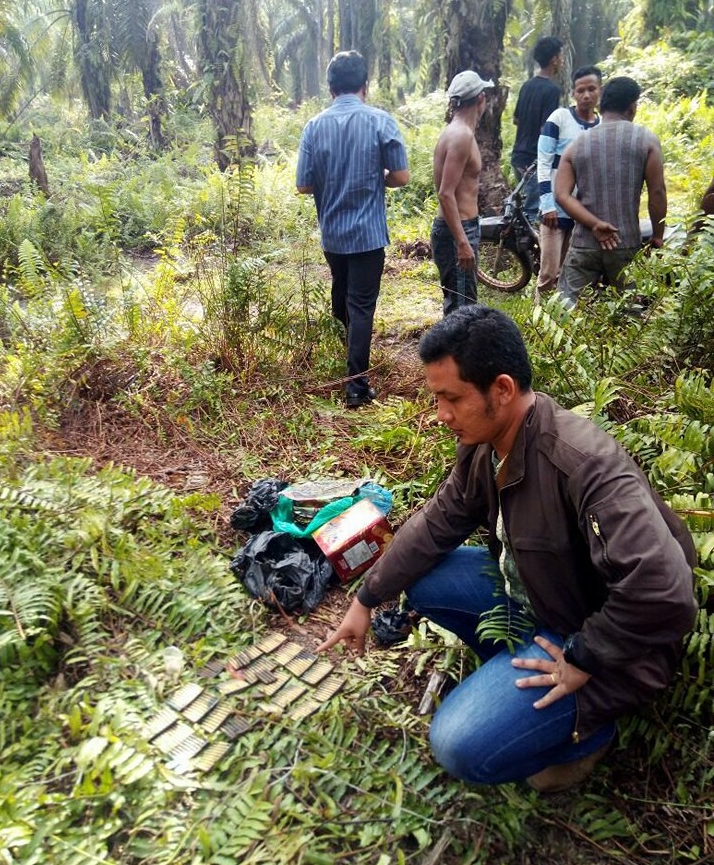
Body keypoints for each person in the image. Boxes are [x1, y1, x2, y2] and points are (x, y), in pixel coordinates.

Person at [318, 305, 697, 792]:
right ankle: (514, 666)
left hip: (604, 641)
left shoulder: (584, 465)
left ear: (502, 389)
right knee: (421, 575)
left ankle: (587, 730)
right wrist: (366, 599)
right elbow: (437, 522)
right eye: (437, 399)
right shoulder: (485, 444)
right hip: (543, 599)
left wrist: (582, 657)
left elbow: (663, 591)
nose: (441, 416)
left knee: (457, 743)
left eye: (451, 398)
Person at [296, 50, 409, 409]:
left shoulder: (314, 126)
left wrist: (332, 180)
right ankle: (356, 386)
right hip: (368, 235)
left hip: (332, 231)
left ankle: (347, 351)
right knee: (361, 305)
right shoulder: (380, 121)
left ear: (330, 88)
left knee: (342, 293)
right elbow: (402, 176)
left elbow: (303, 185)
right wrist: (378, 178)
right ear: (365, 85)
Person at [555, 76, 667, 308]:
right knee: (631, 311)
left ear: (601, 105)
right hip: (625, 241)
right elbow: (657, 193)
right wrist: (657, 236)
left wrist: (595, 224)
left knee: (565, 310)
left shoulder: (576, 145)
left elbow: (562, 195)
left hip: (584, 243)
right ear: (632, 106)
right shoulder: (646, 140)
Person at [535, 66, 602, 301]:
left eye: (591, 89)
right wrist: (547, 204)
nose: (586, 95)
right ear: (573, 93)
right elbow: (543, 162)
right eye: (580, 90)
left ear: (599, 91)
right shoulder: (559, 118)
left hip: (583, 209)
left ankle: (563, 321)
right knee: (549, 272)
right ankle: (539, 322)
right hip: (555, 208)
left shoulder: (601, 126)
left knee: (571, 271)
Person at [431, 70, 494, 315]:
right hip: (457, 230)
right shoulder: (461, 136)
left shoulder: (458, 132)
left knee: (464, 303)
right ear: (481, 98)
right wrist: (462, 242)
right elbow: (446, 194)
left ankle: (458, 353)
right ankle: (453, 353)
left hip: (461, 227)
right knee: (461, 310)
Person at [511, 36, 564, 225]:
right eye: (561, 55)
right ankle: (531, 253)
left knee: (526, 209)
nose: (562, 60)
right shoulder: (552, 90)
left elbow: (516, 119)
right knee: (533, 212)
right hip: (534, 160)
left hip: (518, 156)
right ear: (554, 59)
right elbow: (546, 130)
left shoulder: (527, 86)